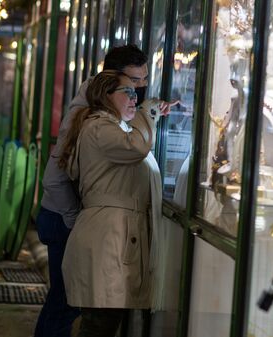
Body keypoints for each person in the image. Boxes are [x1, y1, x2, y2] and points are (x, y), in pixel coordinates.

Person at [34, 44, 174, 337]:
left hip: (81, 219)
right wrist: (78, 219)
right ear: (112, 80)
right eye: (134, 82)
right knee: (69, 305)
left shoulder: (112, 112)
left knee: (79, 306)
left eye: (145, 79)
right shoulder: (91, 116)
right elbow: (55, 178)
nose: (143, 86)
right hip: (63, 216)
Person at [58, 70, 162, 336]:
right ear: (105, 97)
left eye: (135, 93)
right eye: (126, 92)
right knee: (99, 325)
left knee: (101, 323)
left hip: (111, 239)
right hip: (108, 241)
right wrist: (147, 113)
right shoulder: (100, 127)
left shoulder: (107, 126)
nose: (133, 99)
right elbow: (136, 148)